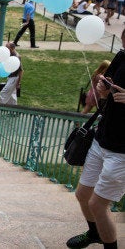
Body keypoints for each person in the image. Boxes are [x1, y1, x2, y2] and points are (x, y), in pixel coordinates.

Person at [65, 29, 124, 249]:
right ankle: (95, 233)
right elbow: (107, 91)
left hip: (121, 152)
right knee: (82, 194)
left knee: (98, 205)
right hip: (102, 139)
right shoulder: (122, 55)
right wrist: (103, 90)